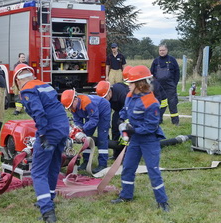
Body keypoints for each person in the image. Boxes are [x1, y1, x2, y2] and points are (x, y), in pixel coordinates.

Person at [14, 63, 69, 223]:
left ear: (18, 79)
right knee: (53, 166)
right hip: (62, 128)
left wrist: (43, 134)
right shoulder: (45, 85)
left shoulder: (27, 90)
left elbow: (39, 112)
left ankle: (47, 211)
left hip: (49, 130)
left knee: (38, 171)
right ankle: (49, 198)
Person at [111, 65, 169, 212]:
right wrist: (121, 119)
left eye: (130, 83)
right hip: (135, 139)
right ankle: (126, 196)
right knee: (128, 167)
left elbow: (151, 126)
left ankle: (162, 202)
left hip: (149, 140)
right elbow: (126, 109)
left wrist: (133, 129)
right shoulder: (130, 96)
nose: (127, 85)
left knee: (153, 170)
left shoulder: (151, 102)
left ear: (139, 84)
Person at [61, 89, 111, 173]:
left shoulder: (87, 103)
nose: (71, 109)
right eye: (69, 108)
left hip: (103, 110)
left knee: (102, 138)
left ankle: (103, 164)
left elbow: (94, 120)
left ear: (75, 99)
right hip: (91, 115)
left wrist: (83, 128)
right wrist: (78, 129)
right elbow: (77, 120)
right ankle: (86, 161)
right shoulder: (73, 107)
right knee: (86, 138)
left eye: (71, 106)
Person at [96, 78, 129, 159]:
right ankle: (116, 154)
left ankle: (127, 153)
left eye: (105, 97)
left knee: (125, 131)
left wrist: (122, 120)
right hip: (118, 110)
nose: (103, 100)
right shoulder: (105, 98)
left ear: (110, 92)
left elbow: (128, 109)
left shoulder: (123, 93)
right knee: (115, 128)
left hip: (127, 110)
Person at [150, 44, 180, 125]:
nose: (162, 52)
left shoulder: (172, 60)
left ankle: (175, 122)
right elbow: (151, 74)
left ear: (167, 50)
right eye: (160, 50)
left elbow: (177, 72)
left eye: (163, 50)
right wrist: (154, 85)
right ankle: (159, 120)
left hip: (170, 86)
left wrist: (175, 83)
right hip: (159, 87)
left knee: (172, 104)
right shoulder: (156, 61)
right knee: (159, 104)